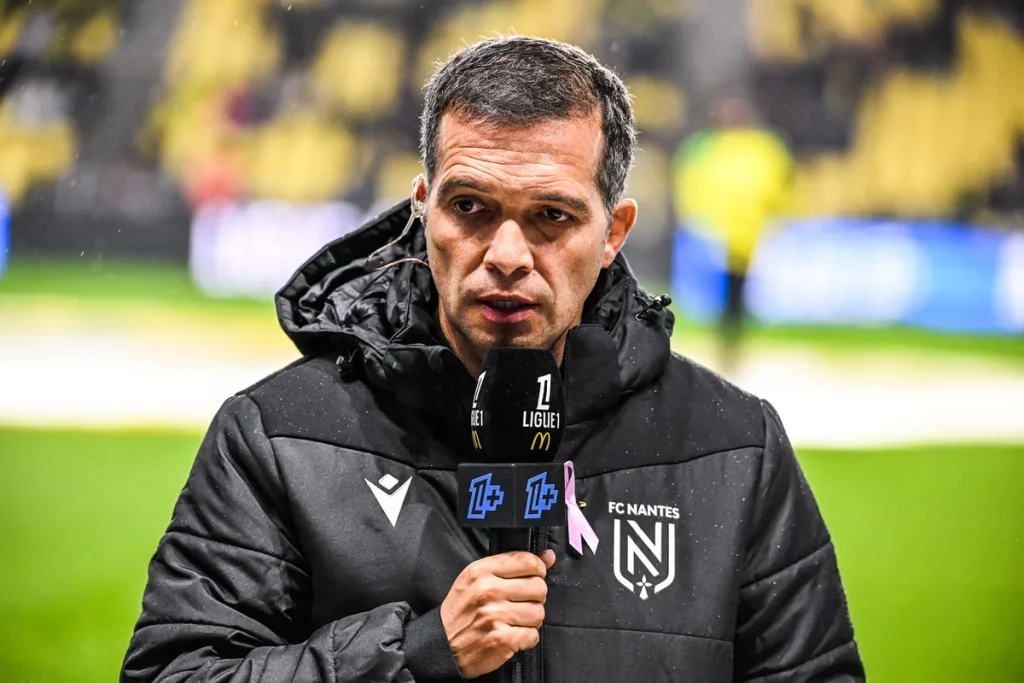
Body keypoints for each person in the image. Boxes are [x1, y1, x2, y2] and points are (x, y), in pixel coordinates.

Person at [122, 37, 863, 683]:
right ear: (424, 208)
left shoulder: (733, 446)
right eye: (470, 207)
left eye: (552, 216)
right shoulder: (279, 436)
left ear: (613, 232)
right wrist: (415, 655)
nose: (507, 255)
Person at [673, 95, 794, 375]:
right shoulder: (758, 148)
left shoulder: (753, 148)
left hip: (736, 234)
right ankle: (728, 342)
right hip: (725, 233)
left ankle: (729, 342)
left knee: (734, 293)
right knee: (731, 293)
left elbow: (777, 186)